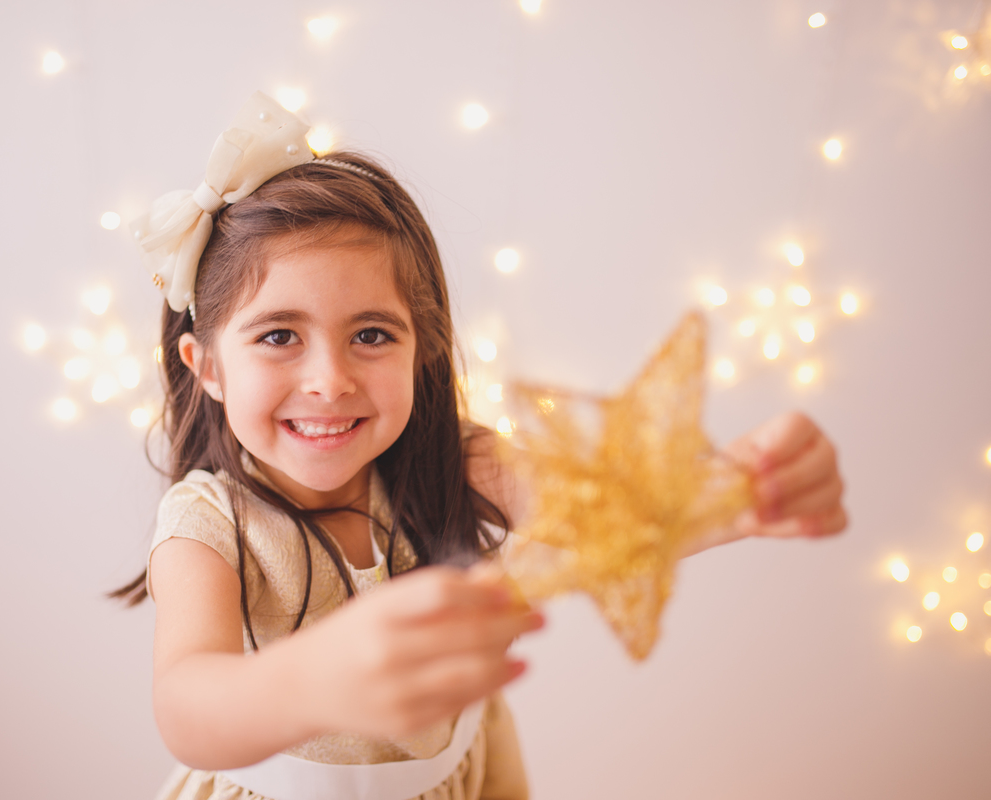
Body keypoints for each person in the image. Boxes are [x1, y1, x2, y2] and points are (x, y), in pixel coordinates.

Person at [110, 93, 847, 800]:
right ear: (205, 366)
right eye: (279, 336)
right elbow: (185, 705)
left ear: (421, 349)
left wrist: (742, 491)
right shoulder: (208, 523)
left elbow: (611, 516)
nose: (329, 380)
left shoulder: (456, 463)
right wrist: (312, 678)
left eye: (371, 334)